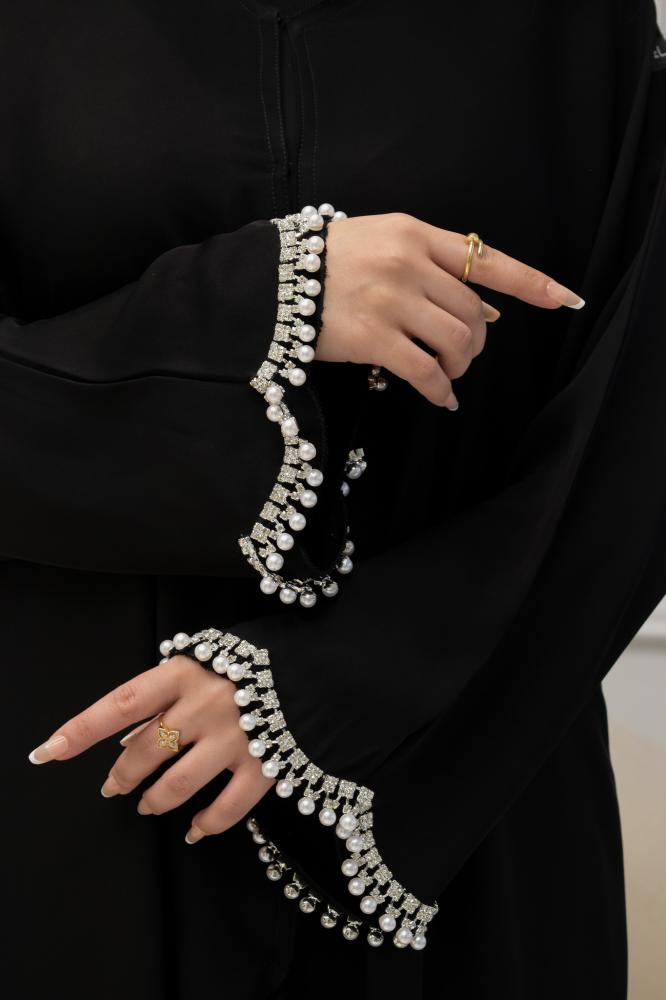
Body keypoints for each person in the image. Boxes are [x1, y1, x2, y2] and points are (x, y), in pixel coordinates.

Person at [4, 1, 665, 997]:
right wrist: (262, 301)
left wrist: (354, 684)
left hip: (461, 788)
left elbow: (641, 422)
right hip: (76, 771)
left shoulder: (568, 24)